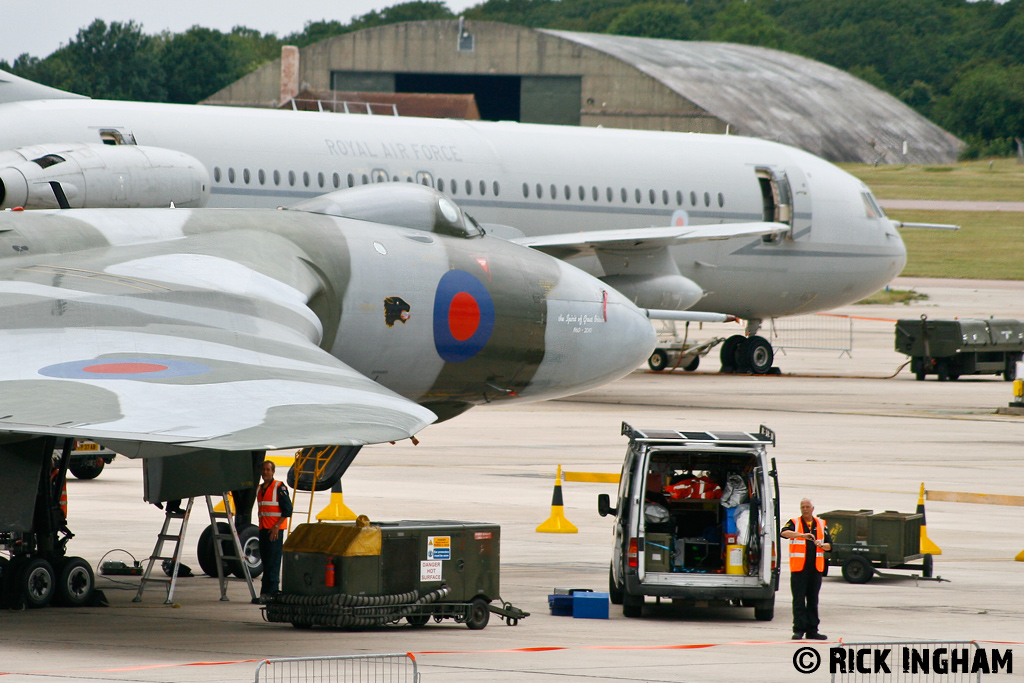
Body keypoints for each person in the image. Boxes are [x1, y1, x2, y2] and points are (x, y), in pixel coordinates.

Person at [781, 498, 832, 640]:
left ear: (812, 508)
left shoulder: (821, 524)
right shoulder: (794, 522)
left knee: (813, 600)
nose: (805, 509)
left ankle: (812, 629)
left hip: (815, 569)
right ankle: (798, 629)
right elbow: (784, 533)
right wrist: (802, 535)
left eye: (807, 506)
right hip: (799, 569)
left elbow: (830, 545)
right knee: (798, 600)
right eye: (802, 506)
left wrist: (821, 545)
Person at [255, 460, 292, 602]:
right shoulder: (259, 489)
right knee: (266, 562)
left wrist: (276, 527)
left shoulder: (279, 487)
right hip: (264, 530)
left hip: (274, 531)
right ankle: (264, 593)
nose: (265, 472)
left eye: (268, 469)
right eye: (263, 469)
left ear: (273, 472)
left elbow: (287, 509)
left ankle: (273, 592)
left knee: (273, 562)